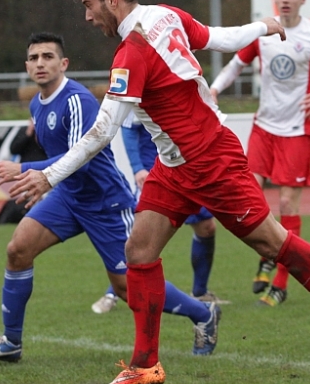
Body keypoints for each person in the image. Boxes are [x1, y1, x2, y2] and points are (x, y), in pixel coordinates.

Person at [9, 0, 310, 384]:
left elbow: (101, 133)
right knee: (139, 251)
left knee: (272, 244)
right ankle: (145, 364)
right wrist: (263, 26)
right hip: (175, 166)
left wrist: (48, 176)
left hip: (211, 161)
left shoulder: (133, 52)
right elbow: (219, 37)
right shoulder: (166, 14)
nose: (87, 16)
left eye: (89, 4)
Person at [0, 32, 221, 363]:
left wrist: (24, 168)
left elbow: (81, 158)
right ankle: (11, 343)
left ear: (63, 63)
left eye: (48, 56)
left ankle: (202, 313)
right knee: (18, 249)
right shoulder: (36, 104)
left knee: (127, 287)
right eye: (34, 58)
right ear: (27, 66)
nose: (40, 63)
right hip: (68, 197)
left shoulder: (78, 100)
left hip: (105, 203)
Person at [208, 0, 310, 307]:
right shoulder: (263, 32)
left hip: (298, 130)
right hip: (265, 127)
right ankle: (267, 254)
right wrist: (214, 88)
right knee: (250, 195)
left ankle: (281, 282)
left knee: (288, 204)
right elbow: (236, 65)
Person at [90, 113, 221, 314]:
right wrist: (137, 168)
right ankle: (113, 293)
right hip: (155, 170)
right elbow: (128, 127)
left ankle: (200, 292)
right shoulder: (142, 94)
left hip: (188, 168)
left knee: (206, 227)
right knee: (143, 238)